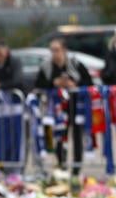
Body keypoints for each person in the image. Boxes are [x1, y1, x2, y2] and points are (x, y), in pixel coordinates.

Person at [34, 38, 93, 176]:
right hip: (57, 109)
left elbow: (88, 82)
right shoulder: (46, 66)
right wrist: (54, 83)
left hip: (75, 106)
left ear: (64, 50)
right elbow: (38, 84)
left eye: (57, 50)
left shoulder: (75, 63)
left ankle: (76, 169)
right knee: (59, 137)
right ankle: (62, 166)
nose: (54, 53)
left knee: (77, 137)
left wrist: (74, 85)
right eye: (52, 50)